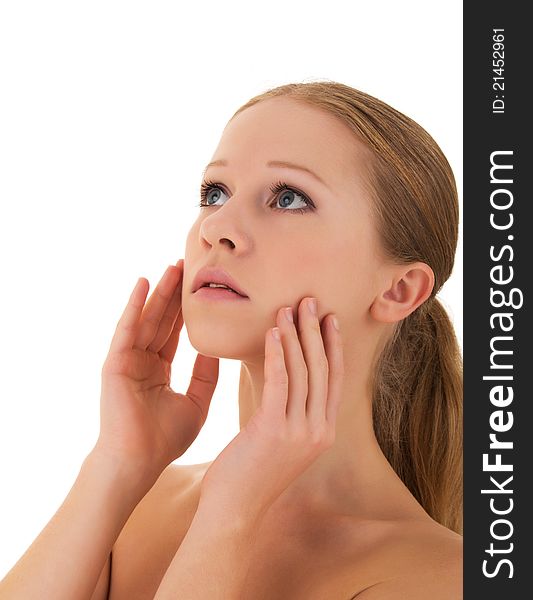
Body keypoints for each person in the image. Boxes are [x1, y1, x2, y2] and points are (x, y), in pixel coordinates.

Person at [0, 81, 463, 599]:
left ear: (400, 289)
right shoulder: (137, 509)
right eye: (214, 193)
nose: (217, 226)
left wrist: (232, 513)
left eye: (289, 198)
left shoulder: (442, 579)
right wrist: (118, 462)